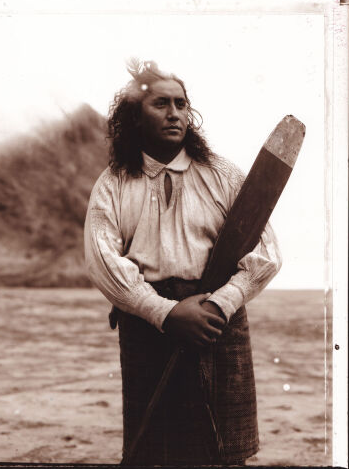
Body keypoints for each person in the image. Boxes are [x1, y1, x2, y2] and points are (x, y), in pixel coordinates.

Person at [84, 60, 282, 466]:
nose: (174, 113)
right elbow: (104, 261)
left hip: (218, 323)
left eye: (181, 103)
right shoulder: (115, 182)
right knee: (152, 451)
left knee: (225, 452)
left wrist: (218, 305)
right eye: (160, 103)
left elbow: (265, 254)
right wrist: (166, 313)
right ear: (135, 116)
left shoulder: (223, 175)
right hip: (147, 325)